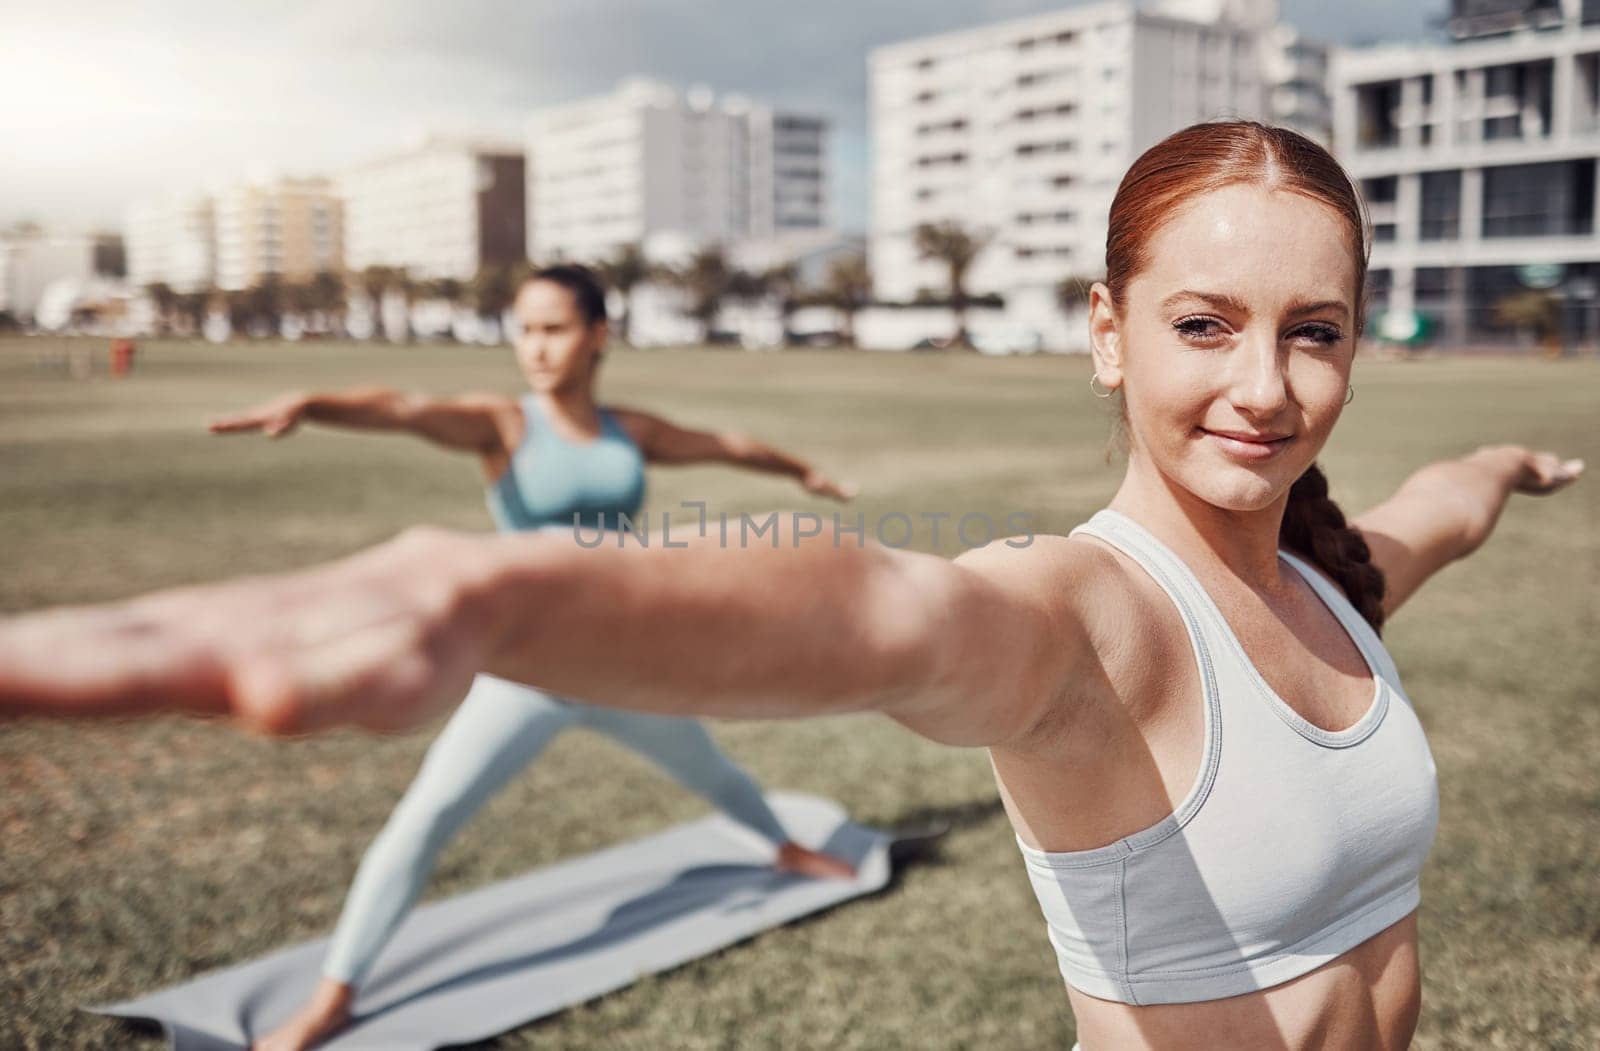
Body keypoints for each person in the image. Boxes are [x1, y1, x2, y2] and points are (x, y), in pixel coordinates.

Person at [0, 123, 1585, 1049]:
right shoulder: (1091, 617)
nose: (1266, 383)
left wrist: (1511, 462)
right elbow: (873, 609)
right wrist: (487, 592)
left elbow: (1436, 508)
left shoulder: (1333, 581)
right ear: (1107, 330)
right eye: (1204, 323)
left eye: (1315, 328)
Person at [207, 264, 858, 1050]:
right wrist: (314, 404)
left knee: (711, 768)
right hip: (527, 677)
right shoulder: (503, 425)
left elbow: (720, 443)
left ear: (598, 336)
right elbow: (407, 409)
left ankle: (787, 847)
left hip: (625, 670)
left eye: (554, 329)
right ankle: (331, 997)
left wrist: (797, 469)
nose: (537, 348)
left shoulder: (629, 430)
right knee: (426, 819)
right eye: (525, 330)